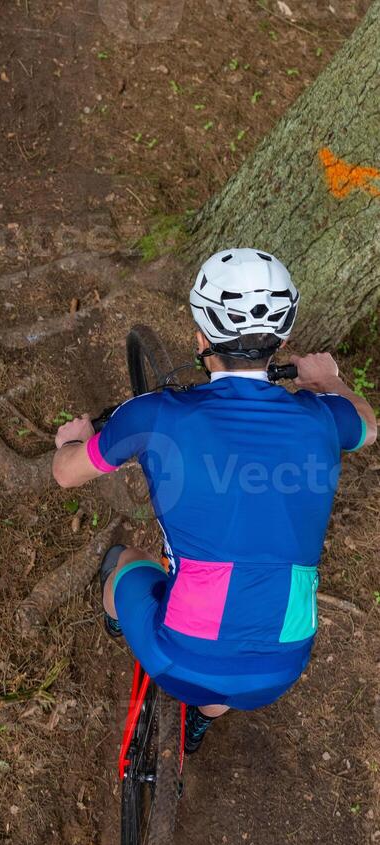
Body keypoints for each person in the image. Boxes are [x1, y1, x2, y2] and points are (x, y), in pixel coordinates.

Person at [52, 248, 376, 754]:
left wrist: (70, 441)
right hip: (281, 667)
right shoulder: (324, 417)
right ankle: (203, 719)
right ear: (284, 341)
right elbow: (369, 427)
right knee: (233, 652)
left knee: (126, 563)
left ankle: (120, 619)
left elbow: (66, 475)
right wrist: (328, 380)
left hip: (184, 658)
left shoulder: (155, 415)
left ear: (201, 337)